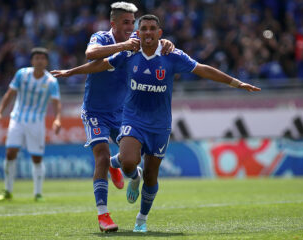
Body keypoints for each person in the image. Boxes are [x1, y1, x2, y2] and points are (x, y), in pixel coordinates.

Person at [51, 14, 261, 232]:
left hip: (160, 124)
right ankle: (121, 165)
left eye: (152, 28)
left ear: (160, 33)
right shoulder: (129, 53)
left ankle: (141, 218)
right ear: (138, 33)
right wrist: (71, 71)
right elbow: (100, 65)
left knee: (151, 175)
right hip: (133, 119)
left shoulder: (172, 55)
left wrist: (236, 83)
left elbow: (202, 69)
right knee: (130, 162)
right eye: (144, 29)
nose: (148, 32)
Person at [72, 2, 174, 232]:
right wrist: (123, 46)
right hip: (95, 111)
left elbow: (159, 45)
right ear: (114, 23)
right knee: (101, 155)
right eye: (126, 22)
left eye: (133, 23)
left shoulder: (138, 42)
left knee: (131, 162)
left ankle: (133, 176)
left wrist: (167, 43)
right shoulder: (102, 37)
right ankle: (103, 215)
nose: (131, 27)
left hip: (124, 113)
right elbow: (90, 54)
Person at [0, 47, 62, 202]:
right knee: (10, 152)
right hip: (17, 119)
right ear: (32, 61)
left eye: (42, 58)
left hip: (36, 122)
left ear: (46, 62)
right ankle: (7, 190)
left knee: (36, 158)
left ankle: (38, 193)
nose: (39, 61)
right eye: (36, 58)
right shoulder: (22, 74)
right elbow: (9, 94)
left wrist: (57, 119)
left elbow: (57, 102)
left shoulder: (51, 81)